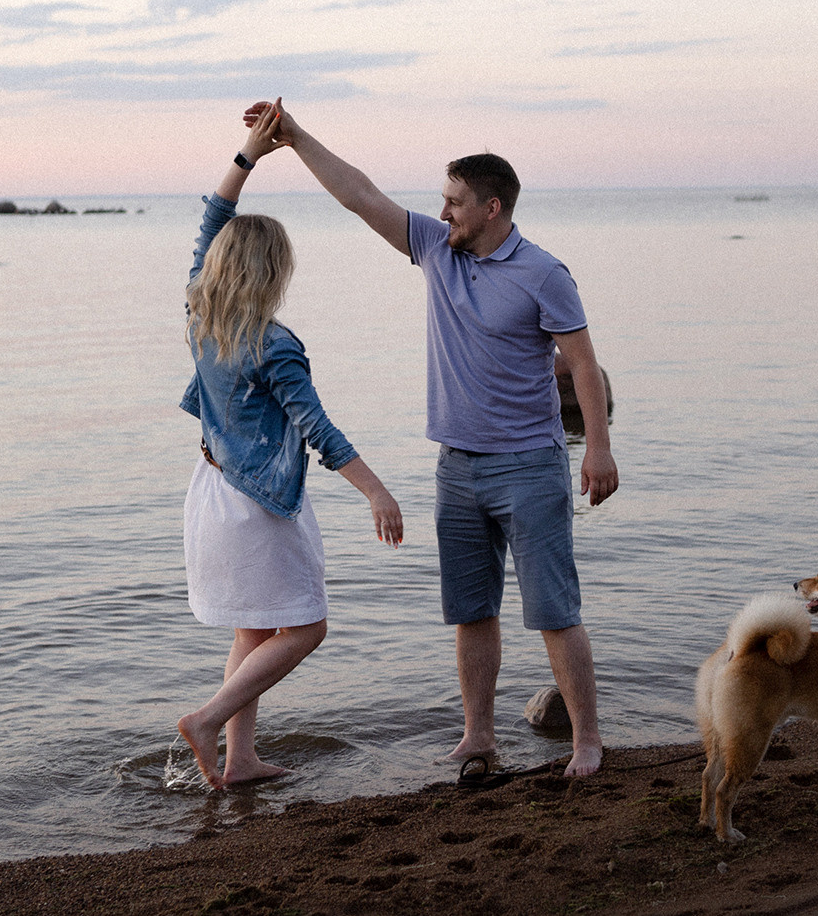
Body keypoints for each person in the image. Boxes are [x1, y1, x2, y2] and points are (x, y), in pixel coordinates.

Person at [244, 100, 618, 777]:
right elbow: (360, 195)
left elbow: (584, 365)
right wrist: (295, 139)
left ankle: (587, 739)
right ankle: (479, 737)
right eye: (442, 202)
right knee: (471, 612)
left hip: (531, 466)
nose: (442, 212)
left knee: (555, 612)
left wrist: (597, 447)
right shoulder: (434, 252)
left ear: (492, 208)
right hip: (458, 469)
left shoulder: (545, 274)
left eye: (454, 202)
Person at [176, 104, 404, 789]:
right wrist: (377, 490)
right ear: (272, 272)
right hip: (260, 505)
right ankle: (209, 719)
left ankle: (240, 758)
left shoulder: (198, 312)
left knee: (253, 630)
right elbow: (318, 429)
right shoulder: (275, 345)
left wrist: (251, 150)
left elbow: (212, 217)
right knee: (305, 628)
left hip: (212, 492)